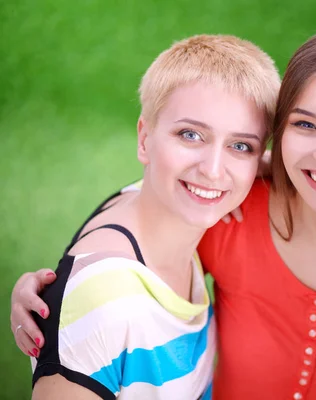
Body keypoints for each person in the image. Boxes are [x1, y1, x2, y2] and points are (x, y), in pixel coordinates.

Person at [22, 34, 280, 399]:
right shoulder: (105, 300)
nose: (213, 170)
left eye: (241, 145)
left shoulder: (155, 201)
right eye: (190, 134)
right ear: (145, 140)